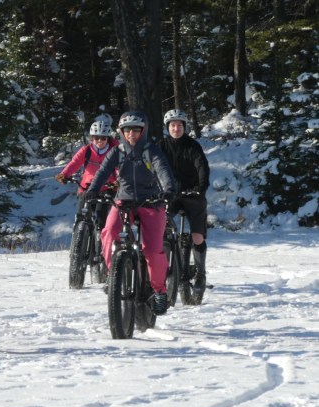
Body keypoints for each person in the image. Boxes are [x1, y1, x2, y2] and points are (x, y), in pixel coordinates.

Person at [85, 111, 176, 315]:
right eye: (127, 130)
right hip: (123, 200)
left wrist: (168, 190)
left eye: (136, 130)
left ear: (143, 131)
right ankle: (113, 274)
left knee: (152, 249)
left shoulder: (150, 150)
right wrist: (92, 190)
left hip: (151, 201)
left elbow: (163, 171)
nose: (132, 134)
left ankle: (160, 291)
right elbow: (102, 172)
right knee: (108, 231)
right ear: (122, 132)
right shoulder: (117, 151)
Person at [159, 109, 210, 299]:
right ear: (167, 127)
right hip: (169, 195)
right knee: (161, 229)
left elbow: (202, 167)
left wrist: (200, 188)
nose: (176, 128)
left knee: (197, 236)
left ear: (184, 127)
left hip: (192, 194)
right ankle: (163, 272)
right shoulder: (161, 146)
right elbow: (153, 167)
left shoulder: (193, 146)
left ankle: (200, 274)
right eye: (172, 125)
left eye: (179, 125)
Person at [55, 119, 120, 227]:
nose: (100, 140)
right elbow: (74, 163)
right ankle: (79, 239)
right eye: (96, 138)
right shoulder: (87, 150)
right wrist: (64, 174)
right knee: (81, 216)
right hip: (86, 188)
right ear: (92, 138)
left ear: (108, 138)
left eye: (103, 138)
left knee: (101, 218)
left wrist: (118, 181)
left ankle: (99, 240)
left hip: (106, 188)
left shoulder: (113, 151)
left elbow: (119, 167)